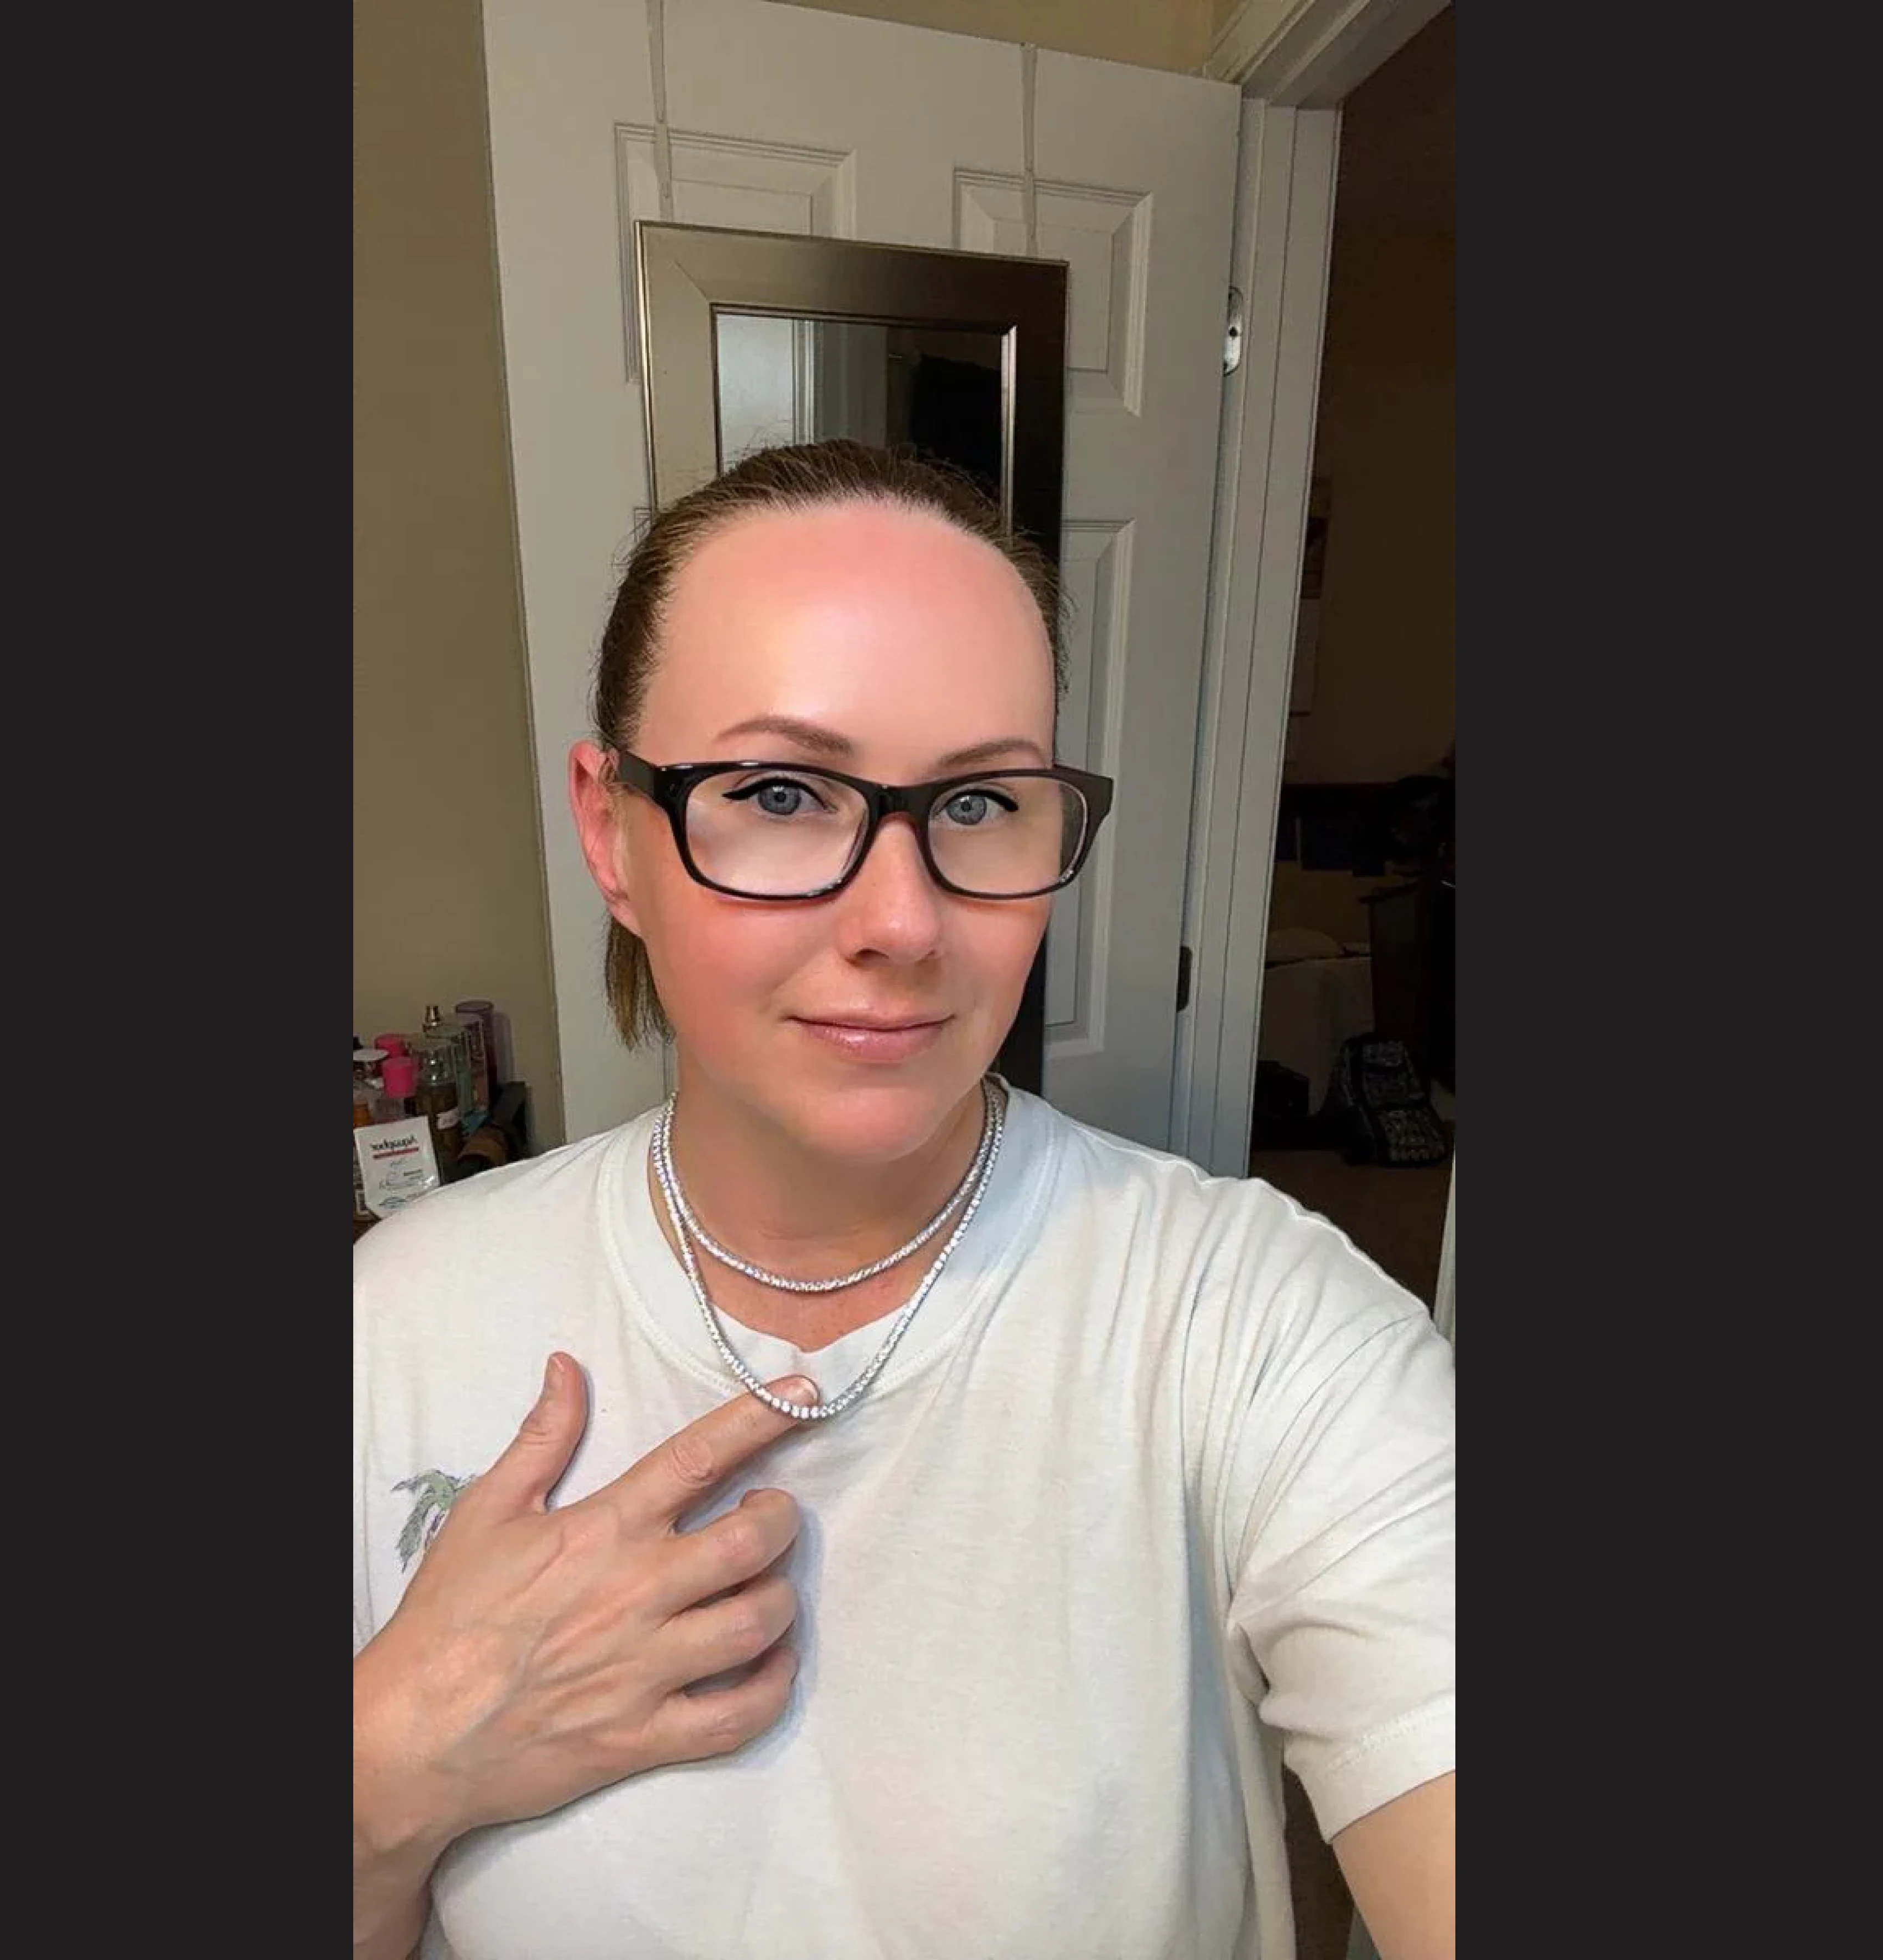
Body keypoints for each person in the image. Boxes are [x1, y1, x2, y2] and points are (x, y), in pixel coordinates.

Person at [353, 440, 1455, 1960]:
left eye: (985, 801)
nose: (902, 919)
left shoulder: (1256, 1325)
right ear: (613, 831)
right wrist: (390, 1765)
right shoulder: (390, 1324)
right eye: (784, 791)